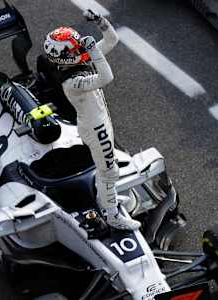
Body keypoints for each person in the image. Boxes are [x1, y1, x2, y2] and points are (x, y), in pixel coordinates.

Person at [43, 10, 141, 230]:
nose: (80, 49)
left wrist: (100, 22)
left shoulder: (75, 63)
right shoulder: (71, 81)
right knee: (109, 171)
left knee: (107, 166)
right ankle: (112, 215)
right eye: (75, 47)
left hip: (99, 121)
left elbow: (112, 40)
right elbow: (107, 77)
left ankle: (108, 199)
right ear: (64, 55)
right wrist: (93, 51)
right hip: (95, 128)